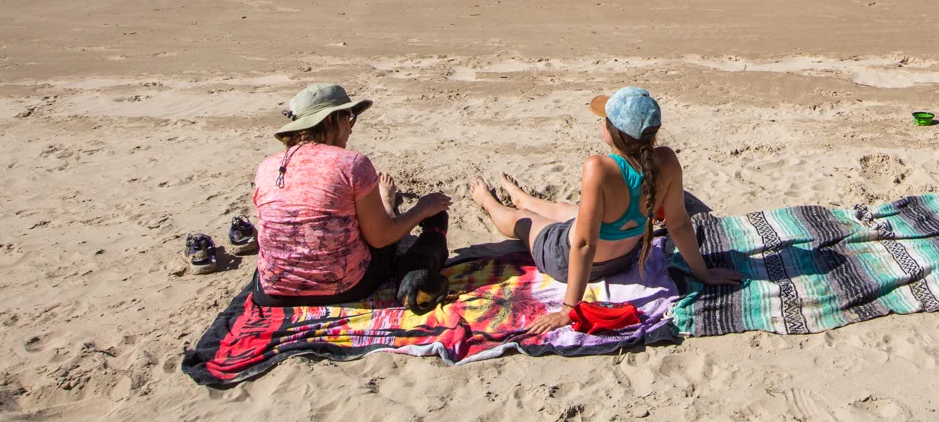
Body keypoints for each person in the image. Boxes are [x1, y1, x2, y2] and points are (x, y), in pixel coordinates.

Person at [471, 86, 741, 336]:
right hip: (623, 258)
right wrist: (704, 273)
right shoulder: (667, 160)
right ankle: (522, 197)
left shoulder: (598, 168)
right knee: (563, 209)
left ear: (610, 131)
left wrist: (568, 309)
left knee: (524, 220)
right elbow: (679, 224)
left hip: (564, 259)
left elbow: (584, 244)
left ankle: (488, 200)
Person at [251, 83, 452, 306]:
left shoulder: (266, 167)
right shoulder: (352, 164)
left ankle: (386, 201)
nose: (351, 129)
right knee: (407, 228)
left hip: (272, 293)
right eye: (349, 118)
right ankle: (388, 204)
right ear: (330, 120)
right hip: (345, 288)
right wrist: (422, 209)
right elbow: (381, 238)